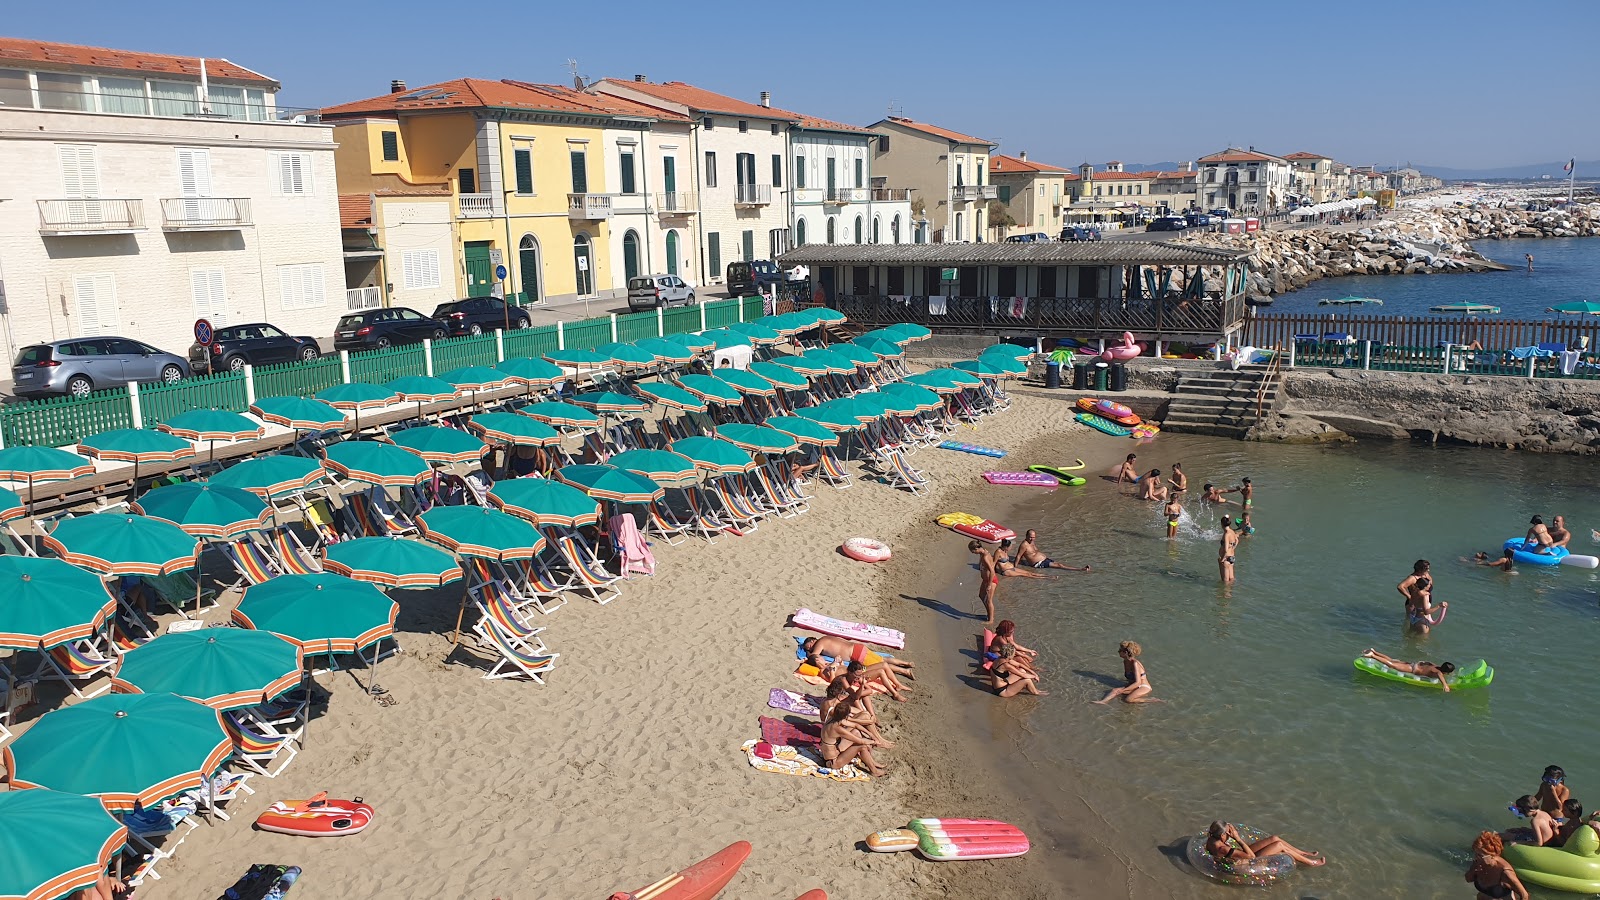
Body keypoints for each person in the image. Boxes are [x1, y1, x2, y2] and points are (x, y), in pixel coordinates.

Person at [1204, 821, 1326, 868]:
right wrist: (1237, 838)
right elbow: (1251, 857)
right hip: (1246, 863)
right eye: (1228, 832)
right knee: (1279, 846)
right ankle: (1312, 863)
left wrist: (1229, 834)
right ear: (1221, 835)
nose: (1231, 833)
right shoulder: (1223, 848)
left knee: (1274, 838)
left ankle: (1302, 853)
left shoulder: (1211, 838)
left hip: (1238, 856)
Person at [819, 701, 888, 777]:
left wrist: (871, 734)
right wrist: (874, 741)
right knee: (862, 746)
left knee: (856, 732)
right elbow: (860, 741)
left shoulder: (832, 719)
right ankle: (874, 771)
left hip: (833, 751)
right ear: (846, 716)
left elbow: (855, 725)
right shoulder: (837, 729)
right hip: (833, 762)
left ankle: (872, 762)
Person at [802, 635, 914, 678]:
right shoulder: (826, 637)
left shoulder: (819, 643)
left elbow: (814, 656)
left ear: (813, 640)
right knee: (882, 658)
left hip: (856, 654)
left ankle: (905, 671)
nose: (810, 648)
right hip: (858, 647)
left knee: (880, 664)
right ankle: (905, 663)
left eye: (810, 646)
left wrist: (808, 654)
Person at [1464, 831, 1529, 900]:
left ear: (1492, 855)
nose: (1476, 857)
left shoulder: (1505, 872)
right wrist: (1473, 870)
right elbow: (1468, 879)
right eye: (1476, 853)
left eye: (1480, 855)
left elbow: (1524, 895)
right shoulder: (1478, 862)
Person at [1093, 641, 1160, 704]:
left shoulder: (1135, 663)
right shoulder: (1125, 661)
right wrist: (1124, 688)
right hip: (1133, 685)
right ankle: (1103, 702)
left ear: (1125, 652)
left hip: (1143, 686)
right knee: (1114, 690)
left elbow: (1138, 682)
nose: (1118, 651)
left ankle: (1151, 700)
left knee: (1128, 699)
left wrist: (1123, 690)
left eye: (1120, 650)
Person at [1360, 649, 1458, 691]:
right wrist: (1445, 685)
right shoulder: (1438, 672)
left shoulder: (1436, 666)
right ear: (1446, 672)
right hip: (1411, 668)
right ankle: (1372, 656)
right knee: (1391, 665)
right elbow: (1440, 676)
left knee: (1391, 659)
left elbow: (1426, 662)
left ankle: (1374, 651)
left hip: (1413, 664)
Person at [1016, 530, 1090, 572]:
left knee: (1059, 564)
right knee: (1060, 565)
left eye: (1034, 537)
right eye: (1030, 537)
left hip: (1044, 560)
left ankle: (1079, 568)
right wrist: (1015, 567)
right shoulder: (1024, 545)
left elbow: (1025, 555)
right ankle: (1080, 569)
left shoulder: (1031, 542)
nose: (1032, 539)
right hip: (1039, 563)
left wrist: (1023, 561)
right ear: (1026, 536)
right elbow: (1018, 556)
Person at [970, 540, 999, 624]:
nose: (973, 553)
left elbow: (992, 571)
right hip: (985, 580)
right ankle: (989, 614)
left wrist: (989, 585)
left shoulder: (985, 557)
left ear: (976, 548)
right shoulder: (982, 553)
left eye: (973, 551)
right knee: (981, 596)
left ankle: (991, 620)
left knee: (989, 600)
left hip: (991, 580)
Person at [1218, 516, 1239, 584]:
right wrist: (1232, 548)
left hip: (1226, 558)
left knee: (1226, 582)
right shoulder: (1232, 531)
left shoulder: (1226, 534)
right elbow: (1237, 540)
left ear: (1222, 524)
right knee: (1231, 579)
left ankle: (1226, 594)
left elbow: (1226, 550)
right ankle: (1230, 593)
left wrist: (1222, 559)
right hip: (1232, 557)